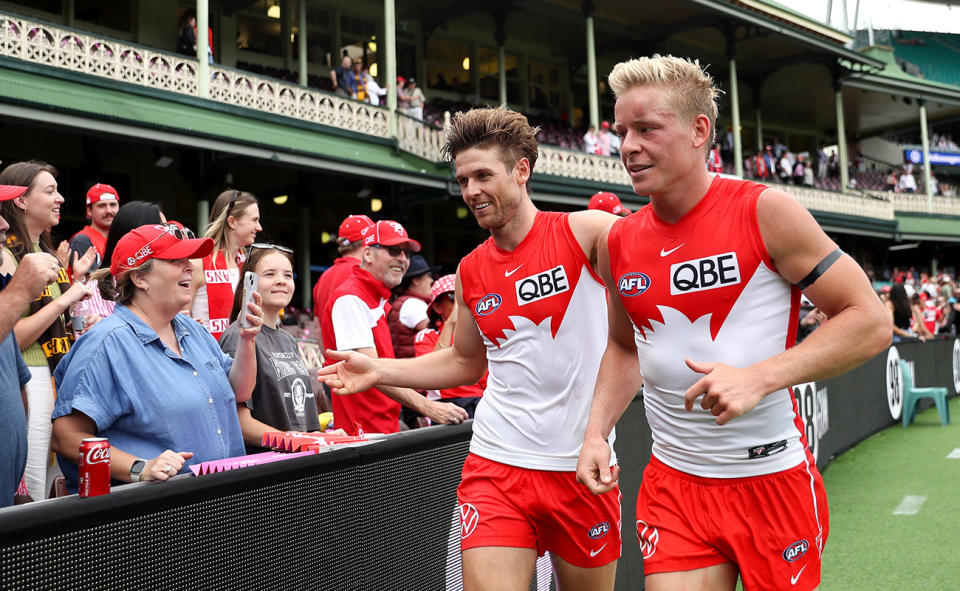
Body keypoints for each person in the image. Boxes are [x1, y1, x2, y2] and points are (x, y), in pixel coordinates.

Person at [575, 55, 891, 591]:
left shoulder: (765, 210)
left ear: (700, 130)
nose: (627, 146)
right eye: (621, 130)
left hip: (770, 482)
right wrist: (594, 433)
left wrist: (758, 376)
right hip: (673, 486)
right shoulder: (618, 241)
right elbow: (626, 350)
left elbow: (870, 321)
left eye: (647, 128)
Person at [319, 107, 622, 590]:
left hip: (580, 466)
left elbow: (651, 296)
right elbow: (463, 360)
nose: (472, 191)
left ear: (521, 169)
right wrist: (379, 369)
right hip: (497, 463)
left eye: (483, 175)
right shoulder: (471, 270)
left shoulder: (586, 232)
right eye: (463, 180)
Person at [51, 223, 262, 492]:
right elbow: (65, 438)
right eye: (176, 260)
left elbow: (240, 391)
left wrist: (247, 339)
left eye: (189, 259)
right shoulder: (107, 343)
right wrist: (141, 467)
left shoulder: (193, 330)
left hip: (217, 504)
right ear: (140, 278)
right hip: (151, 517)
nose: (190, 266)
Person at [0, 161, 97, 500]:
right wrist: (64, 300)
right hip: (30, 377)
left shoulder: (43, 251)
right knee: (31, 488)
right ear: (21, 201)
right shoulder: (8, 256)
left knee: (46, 478)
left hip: (53, 374)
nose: (60, 199)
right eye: (50, 190)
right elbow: (10, 338)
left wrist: (71, 323)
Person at [320, 220, 468, 436]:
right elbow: (370, 370)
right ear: (368, 254)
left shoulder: (374, 297)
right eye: (393, 250)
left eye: (406, 253)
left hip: (379, 426)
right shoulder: (351, 297)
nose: (402, 258)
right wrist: (428, 406)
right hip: (363, 432)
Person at [220, 244, 321, 443]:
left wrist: (323, 438)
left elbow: (299, 422)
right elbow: (238, 422)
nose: (281, 281)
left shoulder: (288, 339)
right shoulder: (238, 337)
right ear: (249, 284)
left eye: (288, 275)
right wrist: (292, 441)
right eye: (270, 274)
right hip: (267, 465)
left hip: (300, 459)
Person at [0, 184, 62, 507]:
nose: (3, 224)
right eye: (50, 190)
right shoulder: (10, 263)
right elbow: (19, 332)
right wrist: (24, 289)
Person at [189, 190, 261, 340]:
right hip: (206, 356)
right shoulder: (198, 263)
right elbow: (179, 318)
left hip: (242, 355)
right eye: (254, 220)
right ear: (232, 222)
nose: (259, 227)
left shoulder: (248, 266)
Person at [413, 274, 485, 418]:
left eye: (465, 297)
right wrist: (451, 322)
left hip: (484, 403)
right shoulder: (427, 335)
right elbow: (429, 373)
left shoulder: (481, 333)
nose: (462, 303)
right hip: (447, 406)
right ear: (437, 307)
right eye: (453, 298)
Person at [388, 254, 439, 429]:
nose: (432, 281)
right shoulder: (413, 305)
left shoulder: (407, 302)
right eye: (428, 276)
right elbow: (439, 332)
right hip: (416, 386)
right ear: (416, 280)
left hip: (411, 384)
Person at [311, 214, 374, 348]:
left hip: (332, 364)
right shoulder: (366, 273)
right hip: (365, 364)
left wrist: (330, 360)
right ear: (367, 243)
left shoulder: (323, 277)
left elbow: (317, 327)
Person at [68, 183, 119, 274]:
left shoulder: (119, 239)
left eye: (113, 205)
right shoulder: (81, 241)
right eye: (102, 205)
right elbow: (90, 284)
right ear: (89, 211)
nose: (109, 210)